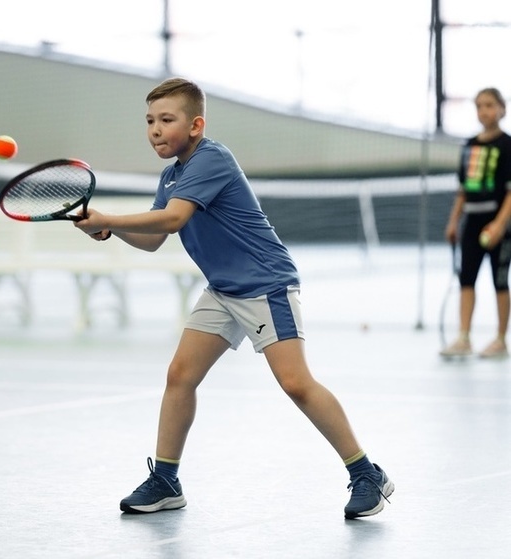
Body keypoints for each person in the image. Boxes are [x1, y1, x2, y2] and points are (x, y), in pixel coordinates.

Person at [74, 77, 393, 519]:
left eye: (167, 120)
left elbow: (172, 220)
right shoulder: (172, 176)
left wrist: (108, 215)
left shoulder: (212, 158)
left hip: (265, 284)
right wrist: (109, 230)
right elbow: (152, 240)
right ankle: (166, 479)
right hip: (223, 290)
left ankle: (366, 475)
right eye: (149, 121)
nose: (155, 130)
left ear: (196, 125)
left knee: (296, 383)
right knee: (180, 376)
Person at [441, 88, 511, 359]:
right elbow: (462, 191)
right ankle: (464, 337)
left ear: (502, 109)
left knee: (500, 281)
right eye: (479, 106)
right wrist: (453, 222)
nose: (484, 111)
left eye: (490, 105)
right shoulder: (469, 145)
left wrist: (499, 225)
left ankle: (500, 339)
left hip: (497, 224)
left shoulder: (507, 145)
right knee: (466, 280)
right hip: (471, 222)